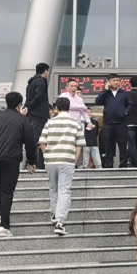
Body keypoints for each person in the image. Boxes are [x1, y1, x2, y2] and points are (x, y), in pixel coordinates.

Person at [0, 92, 37, 237]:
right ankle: (4, 226)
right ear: (19, 105)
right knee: (7, 191)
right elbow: (30, 141)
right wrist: (32, 161)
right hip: (11, 158)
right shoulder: (22, 119)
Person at [39, 97, 85, 236]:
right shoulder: (75, 123)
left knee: (53, 188)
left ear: (56, 109)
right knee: (64, 190)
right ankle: (60, 222)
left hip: (50, 160)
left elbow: (42, 142)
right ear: (69, 108)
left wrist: (46, 155)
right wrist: (74, 160)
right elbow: (79, 145)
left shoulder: (50, 122)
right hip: (67, 160)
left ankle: (54, 213)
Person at [94, 73, 132, 168]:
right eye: (113, 80)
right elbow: (98, 101)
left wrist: (125, 112)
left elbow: (130, 104)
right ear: (109, 82)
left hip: (121, 123)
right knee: (108, 145)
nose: (116, 82)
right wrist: (105, 90)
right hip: (108, 123)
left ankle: (123, 164)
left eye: (117, 80)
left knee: (122, 144)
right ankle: (108, 165)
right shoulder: (106, 93)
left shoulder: (124, 93)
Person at [24, 63, 52, 169]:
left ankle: (31, 162)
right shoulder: (41, 81)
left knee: (33, 138)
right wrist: (29, 107)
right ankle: (36, 164)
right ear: (45, 71)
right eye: (47, 71)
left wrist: (27, 108)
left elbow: (29, 98)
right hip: (39, 115)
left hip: (31, 115)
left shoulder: (31, 82)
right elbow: (38, 97)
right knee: (39, 140)